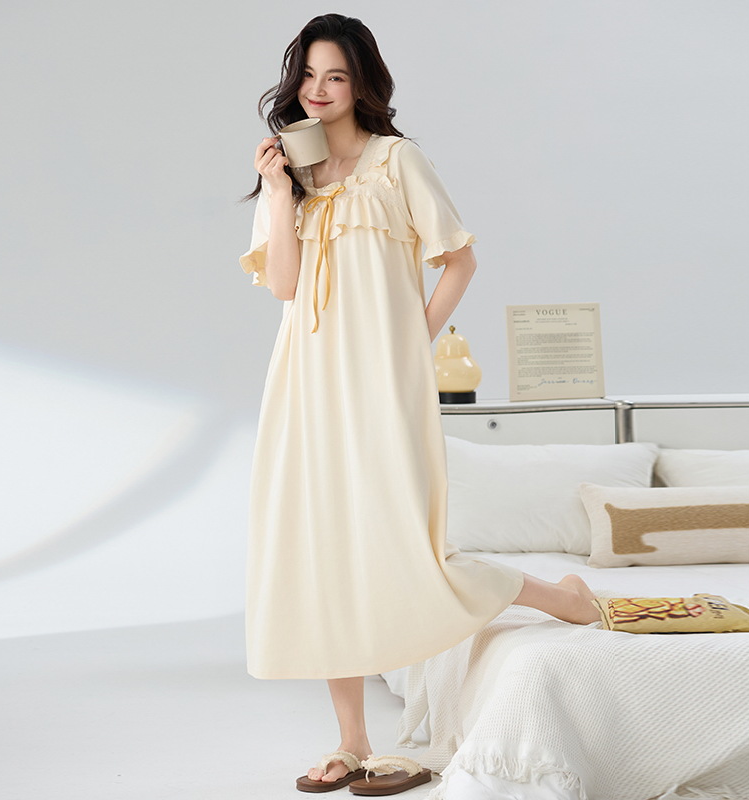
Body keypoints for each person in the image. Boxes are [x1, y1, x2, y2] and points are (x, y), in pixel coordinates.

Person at [239, 13, 600, 796]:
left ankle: (556, 597)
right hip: (303, 379)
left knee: (406, 546)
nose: (319, 90)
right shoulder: (293, 174)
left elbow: (459, 261)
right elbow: (284, 286)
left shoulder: (397, 162)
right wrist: (276, 189)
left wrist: (410, 347)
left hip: (383, 383)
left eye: (336, 76)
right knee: (323, 546)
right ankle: (351, 740)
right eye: (309, 75)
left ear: (361, 83)